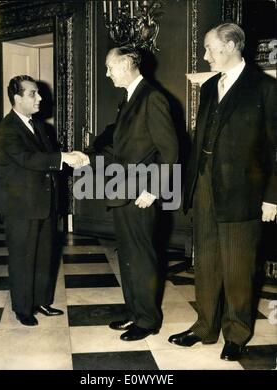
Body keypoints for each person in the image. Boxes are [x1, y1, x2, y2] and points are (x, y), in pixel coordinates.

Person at [168, 23, 277, 361]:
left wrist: (273, 196)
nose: (204, 56)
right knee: (207, 264)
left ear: (231, 46)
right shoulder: (211, 85)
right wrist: (191, 186)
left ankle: (237, 333)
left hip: (244, 194)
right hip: (204, 187)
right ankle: (205, 327)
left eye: (210, 49)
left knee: (238, 268)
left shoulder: (265, 88)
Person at [85, 46, 179, 341]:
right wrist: (87, 158)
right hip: (124, 191)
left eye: (110, 67)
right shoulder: (129, 98)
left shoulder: (152, 98)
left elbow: (170, 150)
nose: (107, 73)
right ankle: (134, 312)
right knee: (128, 256)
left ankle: (149, 320)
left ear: (126, 65)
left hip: (142, 194)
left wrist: (154, 189)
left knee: (141, 257)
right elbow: (121, 146)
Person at [0, 75, 88, 326]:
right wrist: (63, 158)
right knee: (23, 257)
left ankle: (41, 302)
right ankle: (23, 309)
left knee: (44, 254)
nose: (40, 98)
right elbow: (28, 159)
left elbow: (47, 157)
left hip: (43, 203)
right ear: (17, 98)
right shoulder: (7, 129)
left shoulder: (38, 126)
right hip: (21, 206)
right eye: (33, 93)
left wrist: (71, 156)